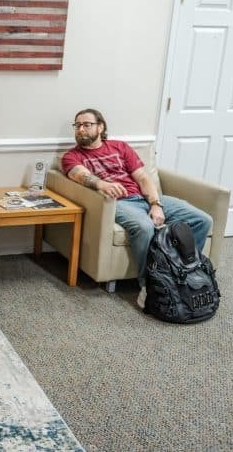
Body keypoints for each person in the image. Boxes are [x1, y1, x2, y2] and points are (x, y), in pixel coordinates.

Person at [62, 108, 212, 309]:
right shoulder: (72, 156)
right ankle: (149, 285)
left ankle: (185, 272)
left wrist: (155, 204)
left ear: (100, 127)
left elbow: (142, 177)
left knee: (202, 220)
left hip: (143, 197)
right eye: (77, 125)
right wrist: (102, 185)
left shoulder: (120, 147)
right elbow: (80, 175)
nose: (81, 129)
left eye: (86, 124)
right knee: (144, 227)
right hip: (118, 203)